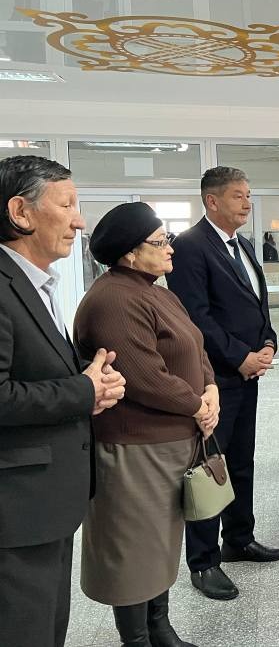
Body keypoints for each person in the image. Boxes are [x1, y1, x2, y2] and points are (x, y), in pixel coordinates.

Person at [74, 202, 218, 647]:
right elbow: (143, 377)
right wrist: (197, 405)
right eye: (160, 241)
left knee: (161, 542)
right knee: (135, 549)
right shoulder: (114, 299)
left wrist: (211, 388)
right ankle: (136, 637)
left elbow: (195, 346)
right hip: (136, 446)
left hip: (172, 441)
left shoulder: (159, 291)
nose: (170, 247)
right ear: (130, 253)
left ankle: (160, 628)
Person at [0, 156, 126, 647]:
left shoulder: (37, 284)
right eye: (68, 205)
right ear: (21, 212)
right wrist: (83, 391)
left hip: (46, 500)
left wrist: (90, 380)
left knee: (48, 627)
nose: (79, 221)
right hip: (17, 507)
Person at [166, 166, 279, 602]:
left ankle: (239, 537)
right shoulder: (190, 247)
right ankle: (204, 561)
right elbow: (196, 316)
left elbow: (258, 302)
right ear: (212, 201)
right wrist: (239, 356)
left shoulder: (244, 244)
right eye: (239, 196)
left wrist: (268, 342)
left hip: (248, 373)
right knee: (209, 469)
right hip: (214, 379)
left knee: (240, 462)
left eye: (249, 195)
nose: (248, 203)